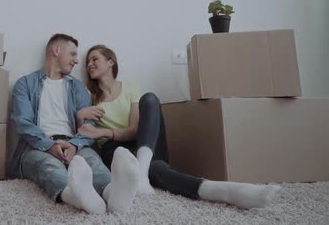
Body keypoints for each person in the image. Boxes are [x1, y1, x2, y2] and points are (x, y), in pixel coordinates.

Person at [77, 44, 281, 209]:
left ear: (110, 62)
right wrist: (80, 115)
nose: (89, 64)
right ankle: (228, 191)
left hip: (144, 145)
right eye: (87, 62)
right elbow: (83, 133)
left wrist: (105, 131)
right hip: (118, 154)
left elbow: (135, 129)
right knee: (157, 170)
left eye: (95, 59)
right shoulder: (88, 96)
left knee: (150, 98)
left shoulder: (130, 87)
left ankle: (142, 171)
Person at [8, 34, 142, 214]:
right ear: (56, 51)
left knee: (93, 162)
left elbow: (89, 124)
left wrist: (73, 144)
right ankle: (75, 196)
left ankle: (112, 195)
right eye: (72, 54)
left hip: (76, 143)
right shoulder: (25, 84)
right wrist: (50, 145)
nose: (76, 61)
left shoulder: (78, 88)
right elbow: (23, 123)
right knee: (49, 166)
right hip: (37, 146)